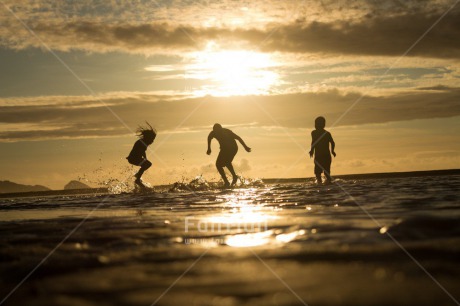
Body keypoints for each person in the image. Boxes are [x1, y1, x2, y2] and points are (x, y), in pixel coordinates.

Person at [127, 122, 156, 187]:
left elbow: (143, 151)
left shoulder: (143, 142)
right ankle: (137, 178)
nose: (152, 141)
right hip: (133, 158)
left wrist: (145, 158)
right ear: (148, 137)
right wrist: (145, 159)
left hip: (134, 158)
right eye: (152, 139)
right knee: (147, 164)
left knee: (147, 164)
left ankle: (138, 176)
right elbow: (141, 151)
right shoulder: (141, 142)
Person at [309, 116, 336, 184]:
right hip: (323, 156)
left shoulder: (316, 133)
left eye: (317, 124)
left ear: (323, 125)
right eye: (315, 124)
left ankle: (321, 184)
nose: (316, 125)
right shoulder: (326, 133)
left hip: (322, 156)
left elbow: (314, 142)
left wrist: (332, 150)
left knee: (321, 173)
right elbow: (332, 142)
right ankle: (324, 183)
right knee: (321, 173)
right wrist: (311, 150)